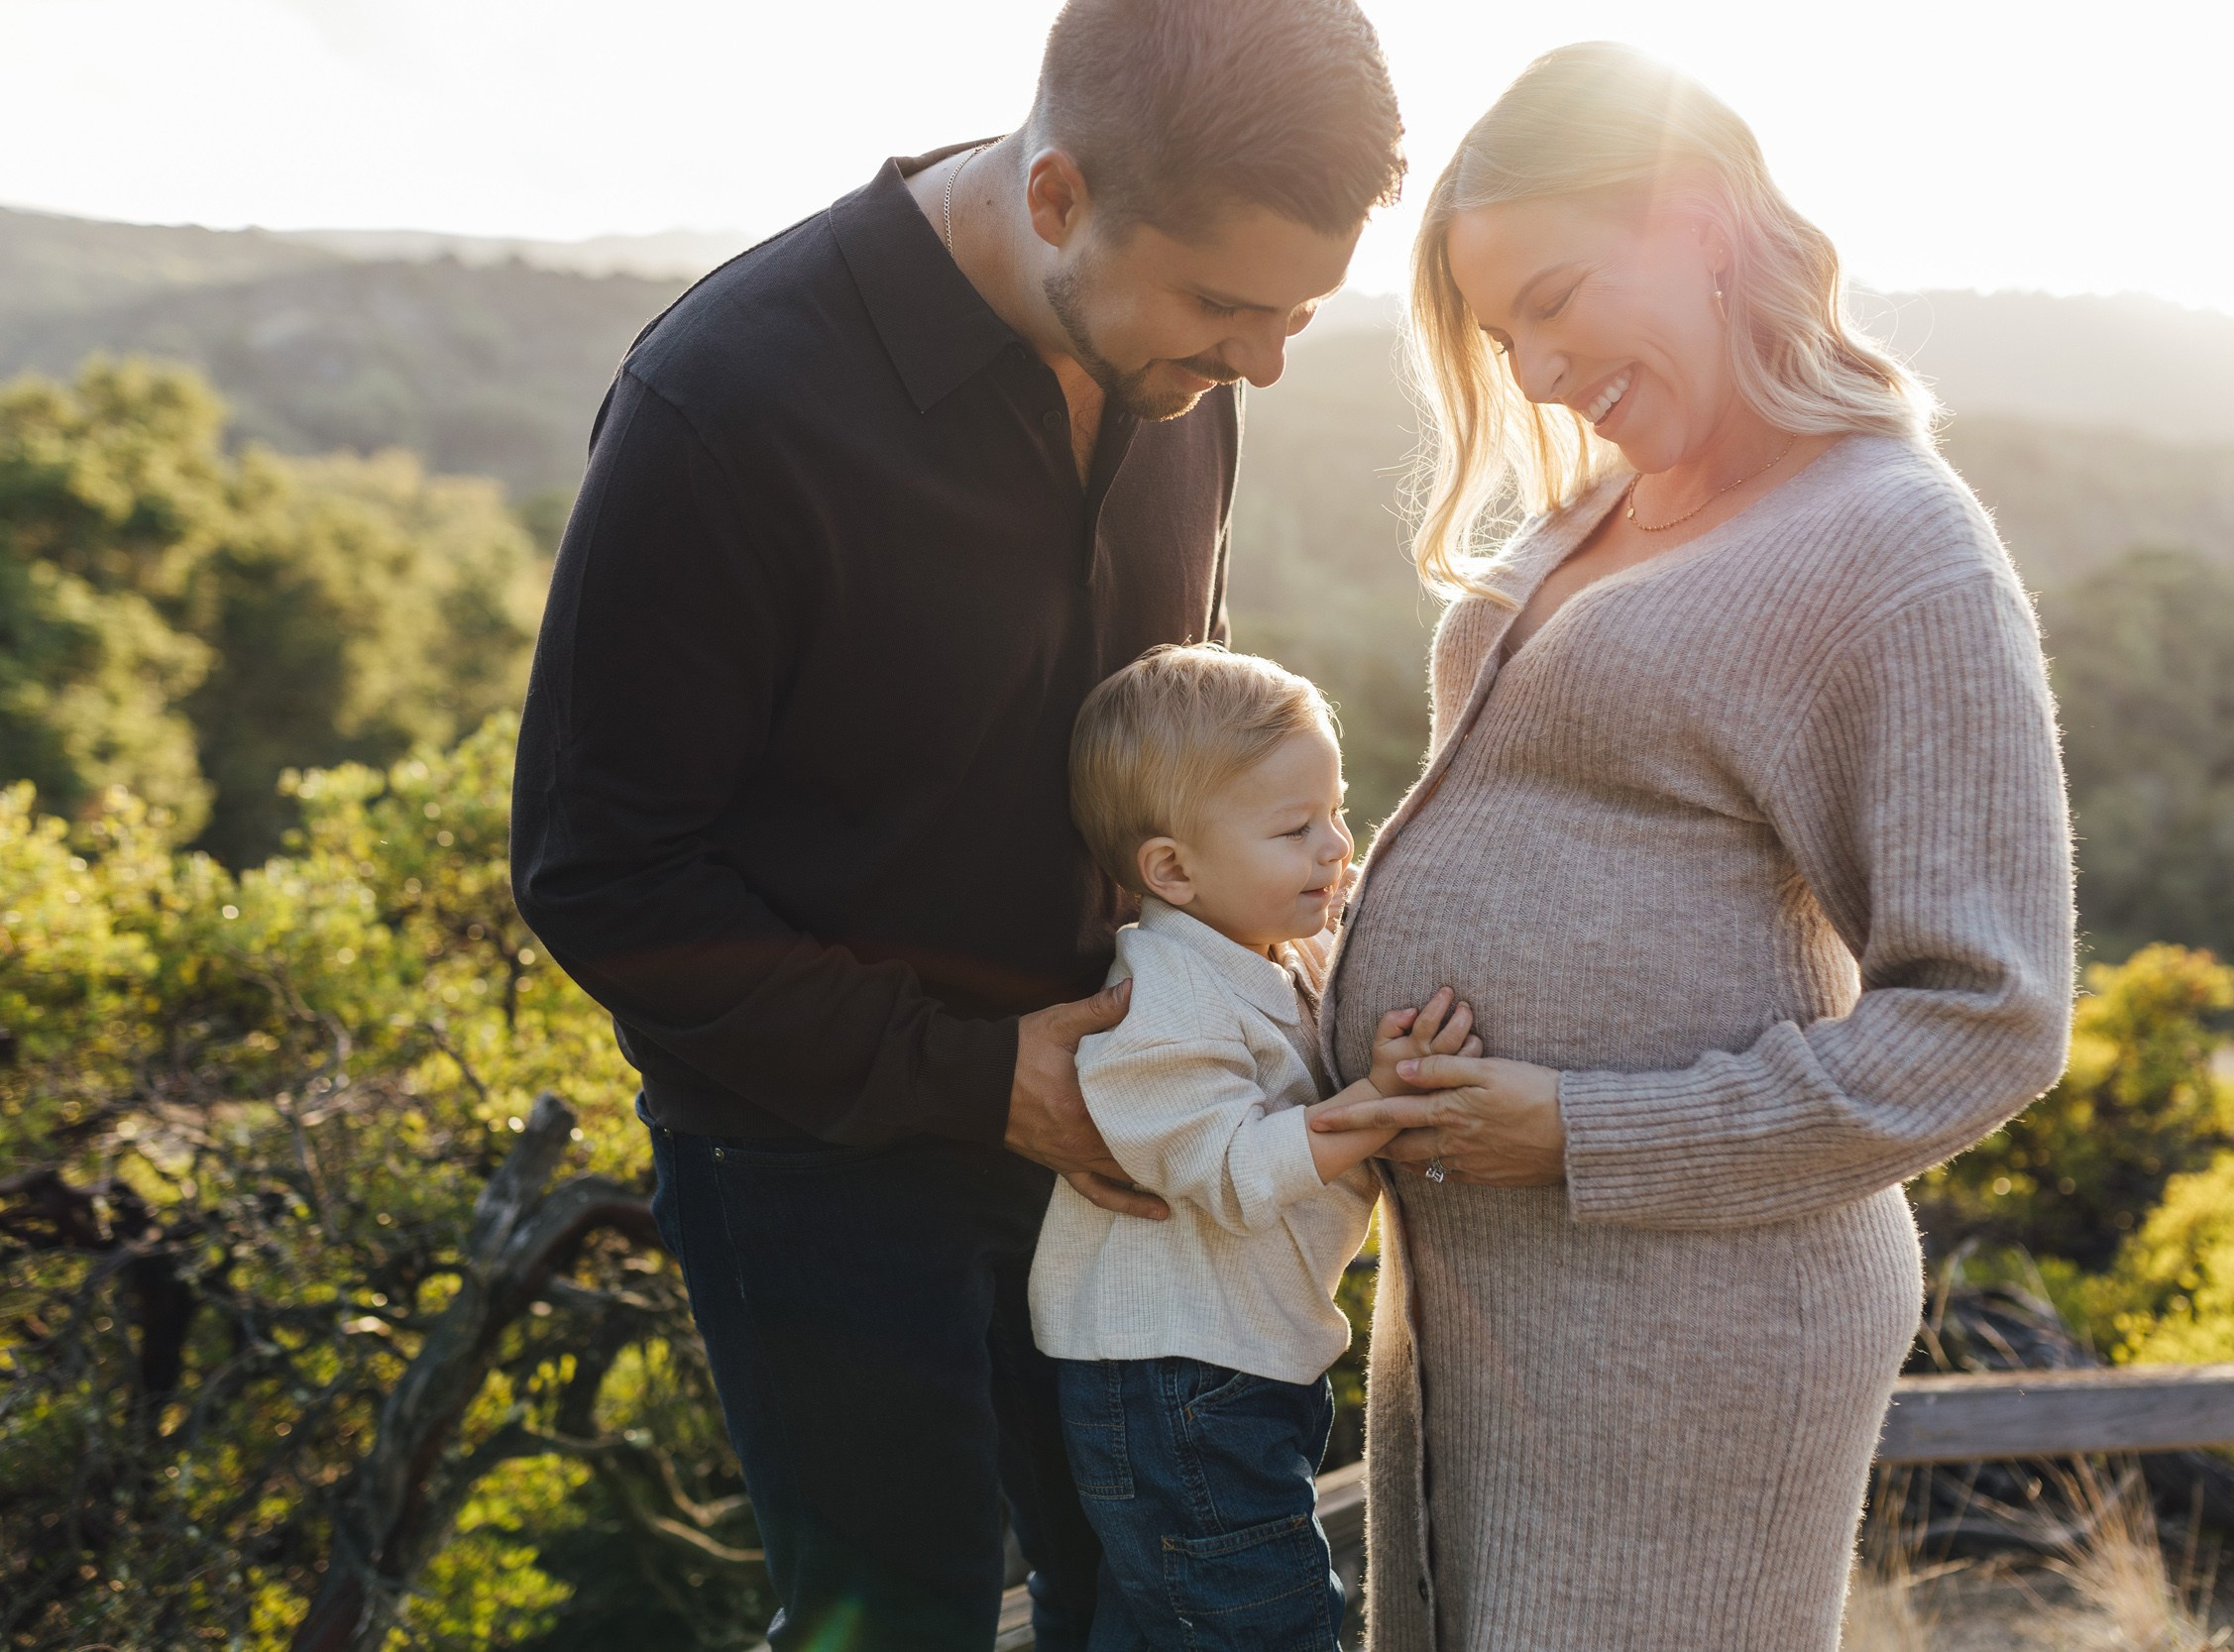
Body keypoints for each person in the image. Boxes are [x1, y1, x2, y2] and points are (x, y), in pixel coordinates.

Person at [506, 4, 1403, 1647]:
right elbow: (602, 873)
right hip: (817, 1154)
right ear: (1055, 193)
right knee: (893, 1618)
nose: (1262, 361)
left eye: (1295, 313)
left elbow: (1160, 749)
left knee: (1156, 1588)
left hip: (1126, 1128)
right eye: (1225, 305)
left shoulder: (1182, 366)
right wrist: (989, 1079)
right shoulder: (728, 402)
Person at [1306, 44, 2078, 1652]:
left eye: (1560, 296)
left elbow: (1990, 1015)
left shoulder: (1891, 542)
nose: (1533, 366)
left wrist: (1590, 1130)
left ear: (1707, 222)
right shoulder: (1611, 510)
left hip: (1689, 1332)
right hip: (1488, 1310)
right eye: (1502, 329)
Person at [1030, 645, 1476, 1652]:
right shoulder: (1157, 1002)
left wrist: (1373, 1065)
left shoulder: (1270, 951)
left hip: (1231, 1363)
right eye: (1293, 828)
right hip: (1171, 1376)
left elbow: (1310, 1079)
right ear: (1172, 868)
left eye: (1337, 811)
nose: (1334, 847)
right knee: (1264, 1624)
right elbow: (1232, 1167)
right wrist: (1377, 1100)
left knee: (1164, 1629)